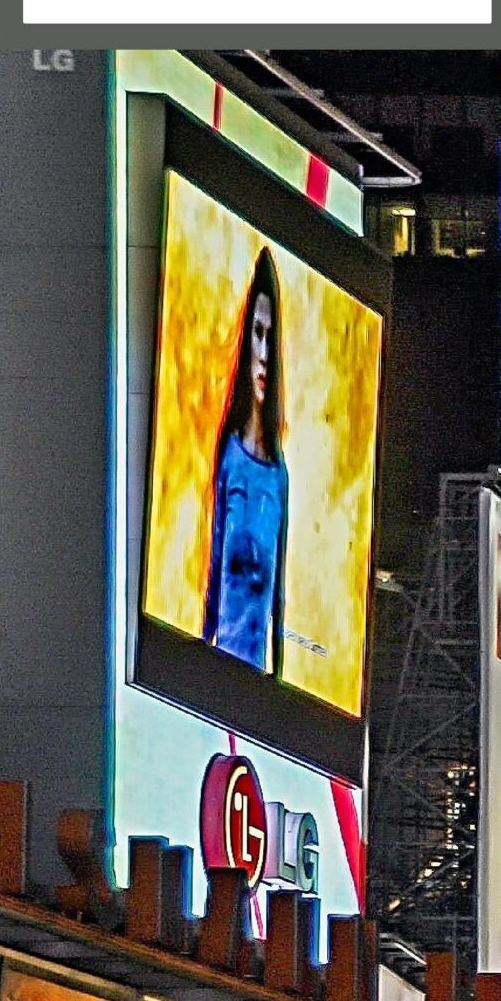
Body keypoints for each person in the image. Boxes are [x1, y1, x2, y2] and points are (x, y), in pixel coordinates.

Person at [200, 246, 289, 679]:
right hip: (221, 663)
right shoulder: (229, 456)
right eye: (256, 333)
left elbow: (280, 593)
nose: (264, 351)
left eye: (271, 336)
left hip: (256, 674)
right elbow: (213, 563)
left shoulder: (279, 475)